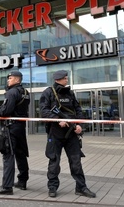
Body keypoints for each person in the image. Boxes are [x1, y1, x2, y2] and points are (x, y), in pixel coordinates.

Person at [39, 70, 96, 198]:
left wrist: (80, 124)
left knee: (76, 162)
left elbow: (77, 109)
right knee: (54, 162)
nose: (67, 80)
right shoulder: (48, 92)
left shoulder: (70, 93)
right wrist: (57, 119)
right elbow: (43, 111)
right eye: (65, 78)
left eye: (66, 77)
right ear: (57, 79)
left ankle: (81, 187)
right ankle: (52, 187)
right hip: (56, 133)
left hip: (71, 134)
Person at [0, 71, 30, 195]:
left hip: (10, 127)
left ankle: (7, 186)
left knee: (8, 155)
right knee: (21, 153)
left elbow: (7, 110)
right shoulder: (26, 93)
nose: (8, 80)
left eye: (10, 78)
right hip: (21, 127)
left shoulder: (11, 92)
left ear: (17, 80)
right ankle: (22, 181)